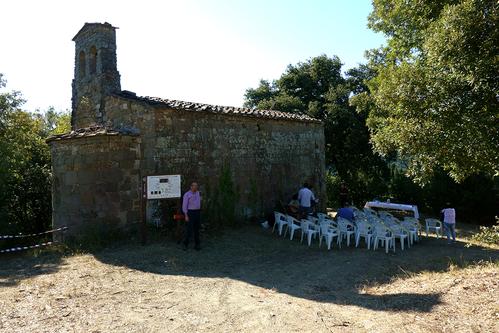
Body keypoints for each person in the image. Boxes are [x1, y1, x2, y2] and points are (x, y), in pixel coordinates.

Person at [182, 182, 202, 251]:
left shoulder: (198, 193)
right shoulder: (187, 194)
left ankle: (197, 245)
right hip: (190, 213)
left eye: (197, 186)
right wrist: (186, 215)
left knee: (197, 229)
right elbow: (184, 206)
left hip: (197, 212)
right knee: (189, 230)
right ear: (191, 187)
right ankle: (185, 244)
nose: (196, 187)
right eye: (194, 186)